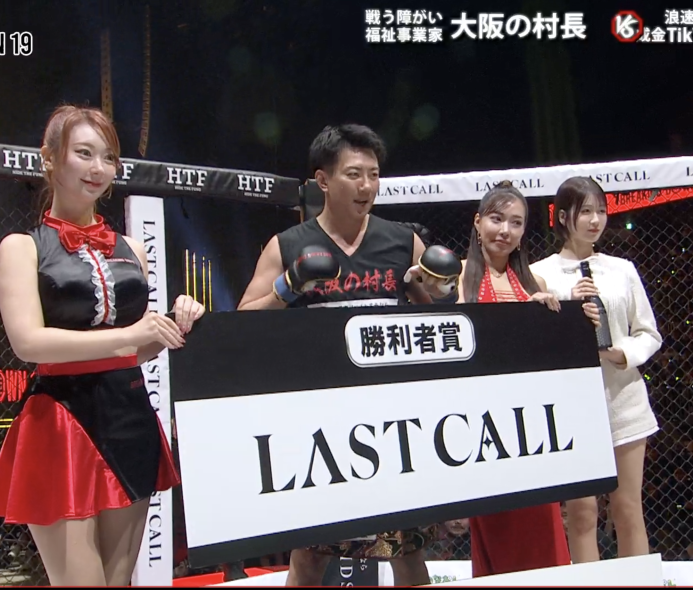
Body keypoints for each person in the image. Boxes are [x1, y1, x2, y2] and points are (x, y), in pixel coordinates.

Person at [0, 105, 205, 586]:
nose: (98, 168)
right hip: (61, 423)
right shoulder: (22, 246)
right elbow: (28, 343)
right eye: (84, 153)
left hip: (130, 419)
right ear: (49, 158)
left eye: (108, 157)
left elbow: (136, 350)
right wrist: (133, 335)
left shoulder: (132, 249)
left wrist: (175, 325)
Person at [238, 124, 454, 587]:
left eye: (373, 175)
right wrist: (287, 287)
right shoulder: (288, 245)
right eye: (354, 174)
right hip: (320, 424)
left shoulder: (402, 241)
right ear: (322, 180)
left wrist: (435, 290)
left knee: (406, 552)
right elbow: (242, 322)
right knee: (310, 556)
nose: (366, 186)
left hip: (392, 423)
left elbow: (437, 315)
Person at [530, 176, 662, 563]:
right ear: (563, 216)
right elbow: (538, 342)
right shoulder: (540, 273)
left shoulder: (622, 269)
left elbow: (648, 333)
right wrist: (570, 309)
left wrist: (621, 354)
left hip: (624, 400)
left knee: (628, 508)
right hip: (573, 407)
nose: (595, 220)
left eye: (601, 211)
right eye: (585, 211)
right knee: (582, 514)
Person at [457, 180, 582, 577]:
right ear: (478, 222)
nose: (505, 231)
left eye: (516, 222)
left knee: (541, 530)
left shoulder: (535, 285)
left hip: (531, 429)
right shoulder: (459, 278)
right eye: (497, 219)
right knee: (497, 531)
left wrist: (547, 318)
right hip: (481, 426)